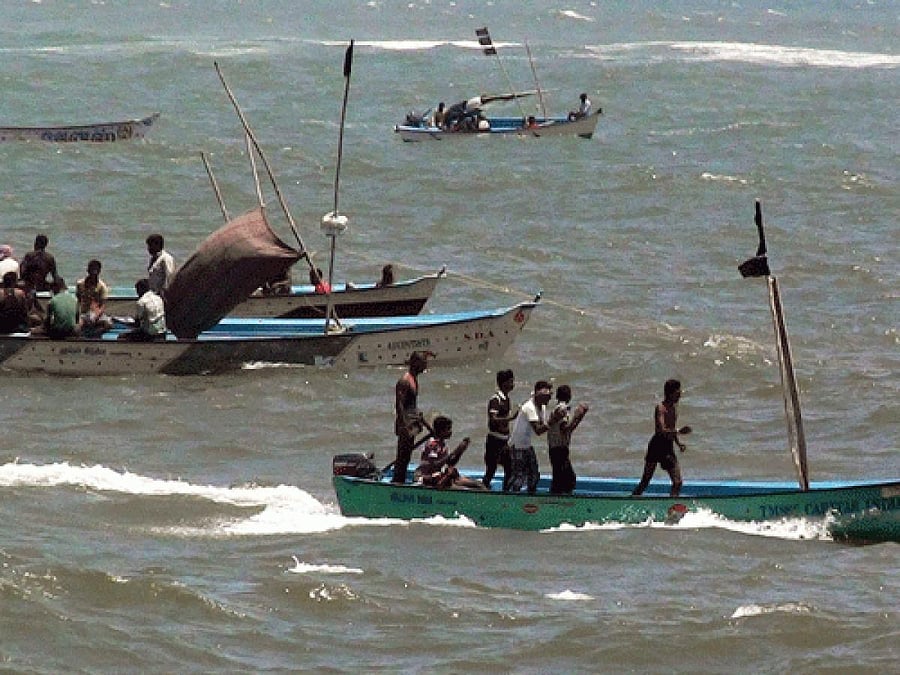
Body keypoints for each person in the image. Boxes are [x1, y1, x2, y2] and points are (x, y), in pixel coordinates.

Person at [632, 379, 693, 497]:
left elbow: (671, 428)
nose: (680, 394)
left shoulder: (674, 409)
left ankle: (672, 504)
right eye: (677, 392)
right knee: (645, 480)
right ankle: (633, 499)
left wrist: (678, 443)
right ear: (670, 393)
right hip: (657, 445)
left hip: (668, 446)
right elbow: (662, 430)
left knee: (678, 482)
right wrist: (679, 431)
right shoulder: (660, 408)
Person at [506, 380, 554, 493]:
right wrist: (553, 420)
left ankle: (530, 497)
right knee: (519, 477)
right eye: (546, 395)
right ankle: (510, 497)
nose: (549, 398)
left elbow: (543, 425)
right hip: (517, 446)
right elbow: (538, 430)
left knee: (534, 475)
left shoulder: (542, 407)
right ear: (538, 394)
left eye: (550, 396)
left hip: (526, 445)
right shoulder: (529, 407)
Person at [414, 416, 483, 489]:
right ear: (441, 431)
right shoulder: (433, 444)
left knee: (479, 485)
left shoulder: (442, 444)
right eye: (448, 429)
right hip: (427, 477)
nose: (451, 432)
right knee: (464, 489)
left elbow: (450, 463)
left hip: (441, 476)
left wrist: (460, 451)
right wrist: (455, 452)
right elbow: (433, 465)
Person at [392, 351, 428, 484]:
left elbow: (413, 407)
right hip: (405, 425)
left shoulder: (414, 380)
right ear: (415, 363)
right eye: (423, 364)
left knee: (406, 457)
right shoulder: (405, 381)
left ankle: (399, 481)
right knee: (402, 457)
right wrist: (405, 426)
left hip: (412, 424)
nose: (425, 367)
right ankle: (397, 482)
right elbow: (399, 405)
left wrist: (424, 424)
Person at [547, 385, 589, 495]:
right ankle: (559, 502)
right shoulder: (562, 409)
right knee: (568, 479)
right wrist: (577, 416)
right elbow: (565, 429)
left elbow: (566, 430)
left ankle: (556, 500)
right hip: (559, 449)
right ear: (569, 396)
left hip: (556, 448)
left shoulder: (558, 408)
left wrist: (578, 418)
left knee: (560, 478)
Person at [482, 369, 516, 489]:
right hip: (494, 441)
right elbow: (493, 419)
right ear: (503, 383)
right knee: (491, 469)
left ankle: (506, 492)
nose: (513, 384)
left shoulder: (507, 398)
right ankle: (483, 490)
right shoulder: (496, 400)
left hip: (504, 440)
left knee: (510, 467)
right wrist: (509, 419)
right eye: (511, 381)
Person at [76, 259, 113, 337]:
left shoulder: (102, 286)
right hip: (83, 313)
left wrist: (96, 316)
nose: (94, 272)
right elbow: (78, 301)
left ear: (99, 271)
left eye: (96, 270)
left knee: (109, 324)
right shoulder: (80, 284)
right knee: (78, 325)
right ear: (87, 270)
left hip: (96, 313)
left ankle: (93, 334)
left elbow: (102, 305)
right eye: (92, 269)